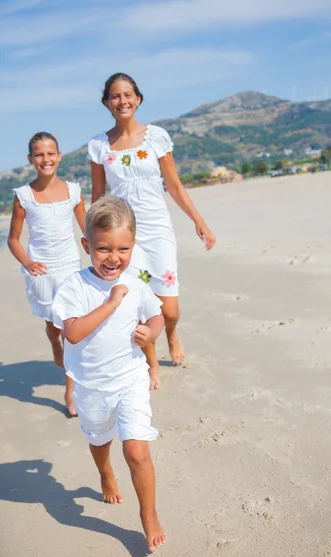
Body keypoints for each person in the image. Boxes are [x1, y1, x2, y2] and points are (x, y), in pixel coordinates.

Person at [87, 72, 216, 391]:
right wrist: (94, 241)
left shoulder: (156, 137)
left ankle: (171, 332)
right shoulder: (99, 146)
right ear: (107, 103)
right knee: (139, 302)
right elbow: (98, 196)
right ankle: (151, 362)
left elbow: (173, 185)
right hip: (124, 236)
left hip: (157, 230)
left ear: (138, 98)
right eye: (115, 96)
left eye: (128, 94)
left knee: (169, 308)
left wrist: (198, 220)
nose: (122, 101)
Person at [51, 196, 166, 553]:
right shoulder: (75, 286)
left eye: (123, 249)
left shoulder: (137, 282)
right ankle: (104, 472)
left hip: (130, 378)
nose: (113, 258)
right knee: (100, 440)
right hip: (91, 385)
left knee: (137, 451)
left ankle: (148, 515)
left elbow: (156, 314)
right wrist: (110, 303)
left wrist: (154, 332)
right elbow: (72, 332)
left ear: (133, 246)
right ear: (86, 246)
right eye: (103, 249)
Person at [7, 131, 86, 417]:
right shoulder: (23, 196)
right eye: (39, 154)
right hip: (41, 271)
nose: (46, 159)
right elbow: (13, 239)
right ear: (31, 159)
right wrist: (28, 263)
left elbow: (87, 229)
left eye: (50, 153)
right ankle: (53, 342)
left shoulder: (74, 191)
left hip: (69, 268)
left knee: (70, 330)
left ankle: (70, 392)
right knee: (54, 328)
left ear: (59, 155)